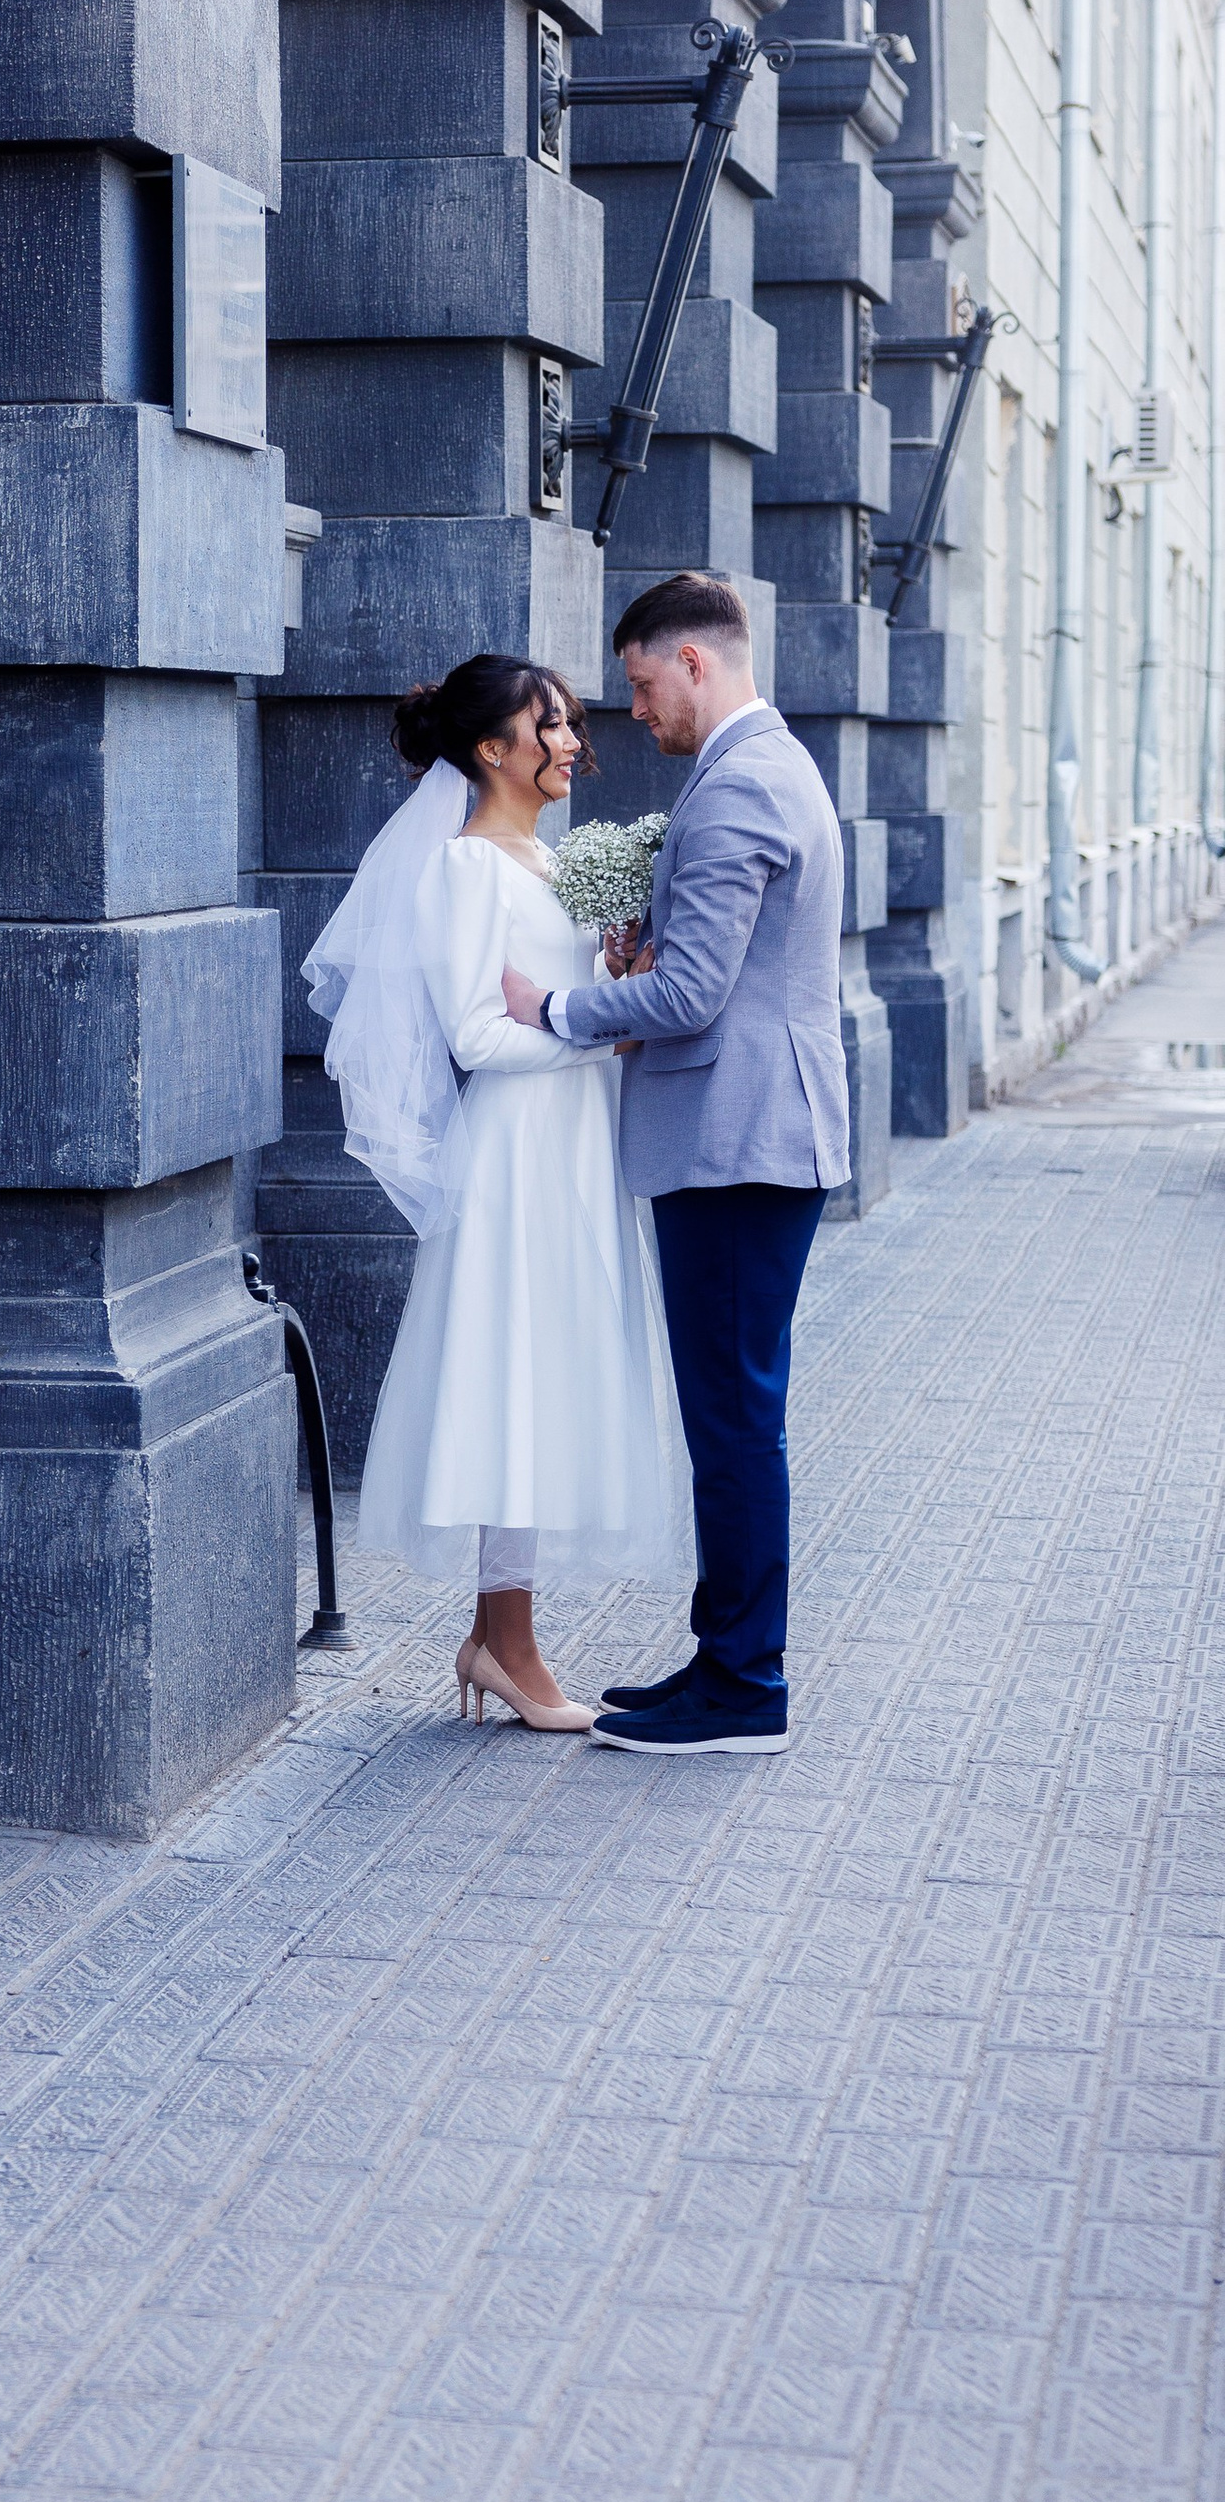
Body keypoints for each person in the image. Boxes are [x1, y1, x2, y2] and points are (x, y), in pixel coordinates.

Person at [303, 656, 692, 1733]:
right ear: (491, 750)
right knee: (517, 1387)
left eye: (567, 725)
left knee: (546, 1382)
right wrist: (595, 1029)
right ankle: (506, 1648)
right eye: (550, 727)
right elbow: (476, 1032)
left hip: (569, 1148)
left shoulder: (542, 858)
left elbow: (550, 1003)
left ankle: (496, 1637)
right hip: (519, 1155)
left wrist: (609, 980)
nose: (571, 742)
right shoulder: (468, 867)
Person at [502, 571, 846, 1755]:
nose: (632, 712)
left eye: (642, 685)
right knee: (730, 1411)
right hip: (749, 1134)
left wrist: (557, 1005)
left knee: (736, 1419)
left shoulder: (743, 781)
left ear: (693, 662)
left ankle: (745, 1687)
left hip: (739, 1142)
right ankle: (723, 1657)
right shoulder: (763, 765)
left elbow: (694, 996)